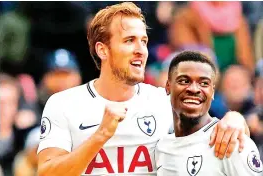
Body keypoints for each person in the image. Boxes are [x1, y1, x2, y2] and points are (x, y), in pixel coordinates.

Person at [38, 2, 250, 176]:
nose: (141, 50)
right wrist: (100, 136)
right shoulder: (63, 104)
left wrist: (235, 119)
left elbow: (217, 132)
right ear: (102, 49)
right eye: (129, 41)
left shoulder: (163, 102)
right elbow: (47, 173)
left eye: (144, 41)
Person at [155, 51, 263, 175]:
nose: (194, 89)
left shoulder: (230, 140)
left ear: (212, 91)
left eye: (204, 83)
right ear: (168, 87)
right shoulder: (160, 146)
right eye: (184, 81)